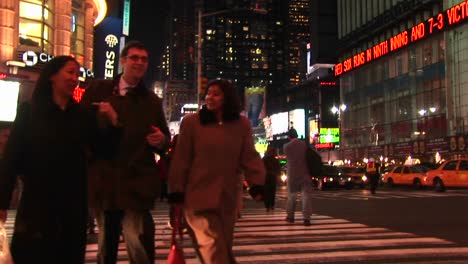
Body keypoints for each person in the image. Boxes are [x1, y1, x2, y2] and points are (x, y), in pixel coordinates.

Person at [0, 56, 96, 263]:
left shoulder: (81, 116)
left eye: (77, 74)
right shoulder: (30, 112)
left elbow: (100, 151)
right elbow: (11, 157)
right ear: (52, 76)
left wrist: (114, 123)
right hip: (38, 204)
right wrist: (2, 202)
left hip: (73, 206)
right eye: (70, 72)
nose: (75, 79)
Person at [81, 40, 170, 264]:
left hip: (136, 183)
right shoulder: (98, 90)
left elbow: (164, 139)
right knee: (105, 245)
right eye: (134, 57)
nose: (139, 63)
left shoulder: (151, 101)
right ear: (122, 61)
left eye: (144, 59)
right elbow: (82, 129)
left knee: (138, 242)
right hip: (105, 181)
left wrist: (161, 141)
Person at [168, 79, 265, 264]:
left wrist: (257, 184)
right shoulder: (192, 123)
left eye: (216, 94)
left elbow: (249, 157)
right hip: (197, 199)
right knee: (214, 250)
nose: (210, 97)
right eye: (208, 93)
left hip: (227, 201)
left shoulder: (241, 124)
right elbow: (181, 159)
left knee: (222, 249)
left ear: (227, 98)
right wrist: (176, 190)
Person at [283, 128, 314, 226]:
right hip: (305, 172)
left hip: (293, 173)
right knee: (306, 196)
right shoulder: (304, 144)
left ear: (289, 136)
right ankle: (306, 218)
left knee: (292, 195)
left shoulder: (286, 146)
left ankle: (291, 216)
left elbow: (289, 159)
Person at [263, 145, 281, 212]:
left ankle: (267, 206)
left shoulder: (265, 158)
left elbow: (262, 167)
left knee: (267, 191)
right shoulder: (275, 159)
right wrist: (278, 174)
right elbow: (278, 168)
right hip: (273, 176)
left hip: (266, 176)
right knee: (272, 191)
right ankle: (272, 205)